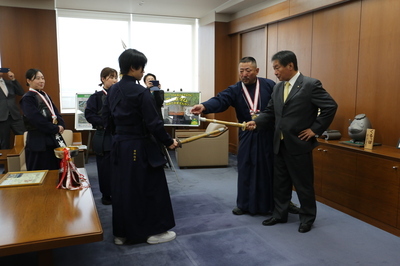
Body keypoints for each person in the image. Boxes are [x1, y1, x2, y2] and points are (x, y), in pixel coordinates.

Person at [247, 50, 338, 233]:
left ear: (290, 65)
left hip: (299, 144)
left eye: (277, 67)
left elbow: (330, 106)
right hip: (279, 143)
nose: (275, 72)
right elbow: (271, 111)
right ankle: (280, 214)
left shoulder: (310, 85)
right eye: (274, 68)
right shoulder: (278, 88)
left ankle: (307, 218)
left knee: (303, 185)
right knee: (280, 183)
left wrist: (315, 130)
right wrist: (255, 122)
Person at [102, 48, 178, 245]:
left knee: (122, 188)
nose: (143, 71)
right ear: (133, 67)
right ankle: (152, 233)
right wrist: (169, 141)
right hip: (139, 146)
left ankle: (121, 234)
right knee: (149, 187)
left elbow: (106, 120)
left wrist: (119, 137)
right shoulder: (140, 92)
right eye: (141, 67)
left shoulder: (112, 91)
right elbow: (154, 123)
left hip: (119, 146)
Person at [191, 56, 278, 216]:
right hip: (246, 133)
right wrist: (204, 106)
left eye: (248, 71)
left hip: (267, 134)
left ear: (256, 71)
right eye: (241, 71)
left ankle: (268, 204)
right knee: (245, 167)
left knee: (266, 168)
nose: (244, 74)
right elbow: (220, 100)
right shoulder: (235, 89)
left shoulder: (269, 85)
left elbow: (278, 107)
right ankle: (244, 204)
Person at [20, 69, 66, 170]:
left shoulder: (45, 95)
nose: (41, 81)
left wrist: (61, 125)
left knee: (56, 171)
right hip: (38, 141)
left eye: (43, 78)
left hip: (52, 139)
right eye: (37, 78)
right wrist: (55, 128)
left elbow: (56, 113)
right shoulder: (27, 98)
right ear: (29, 81)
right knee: (40, 173)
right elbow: (36, 119)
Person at [84, 67, 118, 205]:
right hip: (103, 135)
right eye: (111, 77)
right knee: (105, 168)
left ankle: (119, 192)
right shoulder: (96, 97)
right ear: (103, 79)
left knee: (119, 166)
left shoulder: (120, 95)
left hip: (118, 135)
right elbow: (89, 115)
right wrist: (106, 123)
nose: (115, 80)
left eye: (116, 77)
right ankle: (106, 194)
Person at [0, 68, 26, 149]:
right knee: (4, 142)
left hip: (15, 116)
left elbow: (21, 92)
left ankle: (27, 159)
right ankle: (5, 161)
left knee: (23, 138)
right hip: (2, 118)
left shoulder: (9, 82)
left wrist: (13, 79)